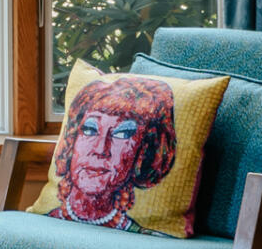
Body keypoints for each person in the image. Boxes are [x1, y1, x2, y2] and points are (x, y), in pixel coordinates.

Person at [49, 74, 181, 229]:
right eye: (90, 130)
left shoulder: (145, 235)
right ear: (72, 140)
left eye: (122, 134)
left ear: (143, 151)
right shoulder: (43, 223)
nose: (100, 150)